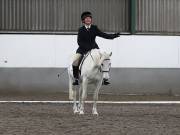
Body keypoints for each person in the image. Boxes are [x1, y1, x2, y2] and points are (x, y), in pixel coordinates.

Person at [72, 11, 120, 85]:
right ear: (83, 20)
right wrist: (87, 47)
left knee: (103, 60)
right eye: (86, 18)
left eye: (89, 18)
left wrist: (113, 36)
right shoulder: (81, 30)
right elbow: (79, 42)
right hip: (82, 49)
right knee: (75, 61)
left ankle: (104, 79)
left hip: (94, 48)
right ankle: (76, 78)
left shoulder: (94, 28)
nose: (88, 20)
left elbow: (103, 35)